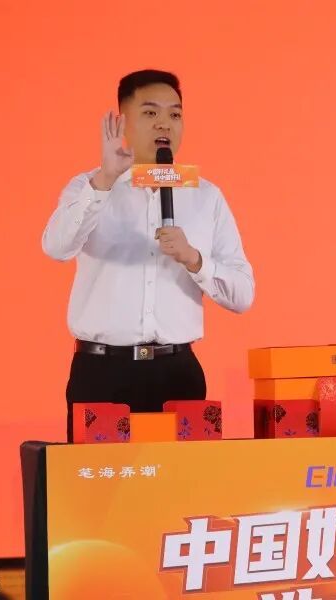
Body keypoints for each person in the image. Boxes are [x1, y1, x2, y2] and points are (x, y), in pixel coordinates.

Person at [42, 69, 254, 442]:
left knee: (183, 481)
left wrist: (195, 260)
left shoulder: (206, 196)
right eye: (150, 112)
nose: (164, 124)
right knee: (101, 479)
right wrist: (104, 181)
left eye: (175, 114)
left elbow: (243, 295)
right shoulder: (90, 185)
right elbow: (56, 247)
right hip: (102, 373)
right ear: (123, 121)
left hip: (177, 374)